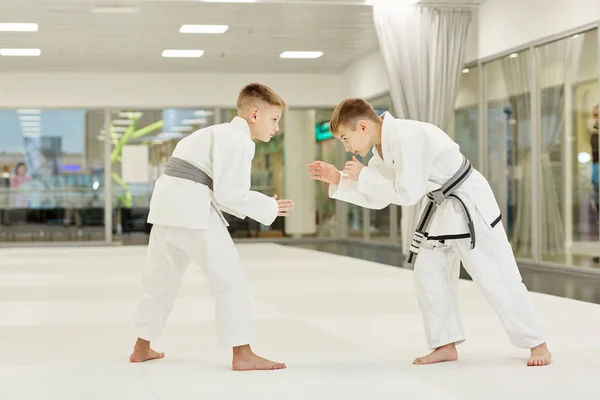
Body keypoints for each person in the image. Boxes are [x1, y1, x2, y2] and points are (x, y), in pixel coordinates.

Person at [307, 98, 552, 367]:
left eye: (345, 138)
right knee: (429, 274)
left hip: (468, 203)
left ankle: (537, 343)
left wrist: (363, 175)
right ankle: (445, 344)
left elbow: (408, 193)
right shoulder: (381, 150)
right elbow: (379, 197)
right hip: (440, 208)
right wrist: (339, 180)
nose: (347, 147)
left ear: (362, 126)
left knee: (494, 274)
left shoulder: (407, 137)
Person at [130, 83, 294, 371]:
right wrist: (270, 206)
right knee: (230, 280)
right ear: (254, 114)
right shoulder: (238, 139)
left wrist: (261, 206)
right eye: (274, 120)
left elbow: (219, 191)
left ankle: (141, 347)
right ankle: (242, 353)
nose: (276, 128)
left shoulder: (209, 133)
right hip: (192, 211)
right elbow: (230, 194)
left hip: (167, 210)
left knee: (159, 280)